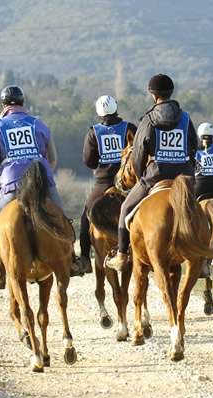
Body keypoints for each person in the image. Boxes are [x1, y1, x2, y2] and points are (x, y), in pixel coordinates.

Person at [0, 85, 77, 288]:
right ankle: (72, 261)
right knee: (63, 220)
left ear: (3, 105)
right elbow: (52, 157)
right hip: (42, 183)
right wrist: (44, 174)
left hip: (13, 186)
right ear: (23, 103)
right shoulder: (39, 124)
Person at [105, 73, 199, 272]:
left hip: (155, 175)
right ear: (171, 93)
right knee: (199, 213)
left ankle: (122, 255)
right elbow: (193, 146)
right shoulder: (186, 118)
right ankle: (203, 262)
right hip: (184, 176)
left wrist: (142, 177)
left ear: (154, 96)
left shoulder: (148, 120)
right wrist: (186, 167)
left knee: (124, 210)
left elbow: (139, 152)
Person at [78, 95, 137, 274]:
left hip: (103, 183)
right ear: (116, 108)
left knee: (85, 216)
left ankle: (85, 258)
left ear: (98, 112)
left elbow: (89, 161)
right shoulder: (129, 128)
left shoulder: (93, 132)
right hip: (128, 184)